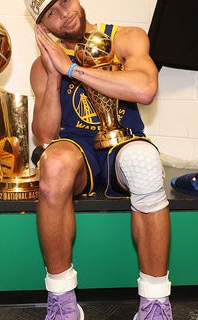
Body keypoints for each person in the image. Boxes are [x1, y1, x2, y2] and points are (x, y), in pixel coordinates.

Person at [24, 0, 173, 319]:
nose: (62, 13)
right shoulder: (43, 65)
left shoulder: (126, 38)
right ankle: (62, 302)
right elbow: (45, 136)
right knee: (52, 163)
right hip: (79, 149)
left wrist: (72, 69)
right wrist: (54, 76)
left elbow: (146, 89)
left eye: (63, 1)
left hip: (125, 139)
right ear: (42, 26)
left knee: (144, 163)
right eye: (50, 12)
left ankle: (156, 303)